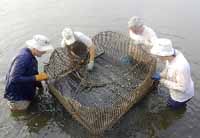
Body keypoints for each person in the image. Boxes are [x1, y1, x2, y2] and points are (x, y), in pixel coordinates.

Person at [4, 34, 54, 111]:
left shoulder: (30, 56)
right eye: (42, 50)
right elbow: (14, 78)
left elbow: (32, 72)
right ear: (34, 48)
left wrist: (40, 86)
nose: (44, 52)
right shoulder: (23, 58)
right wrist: (36, 77)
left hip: (25, 91)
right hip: (18, 99)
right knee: (23, 114)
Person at [151, 38, 194, 109]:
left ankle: (178, 108)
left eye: (158, 56)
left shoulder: (181, 67)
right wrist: (161, 74)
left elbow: (182, 88)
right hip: (179, 89)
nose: (158, 58)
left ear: (165, 55)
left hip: (180, 97)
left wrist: (162, 80)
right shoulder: (174, 54)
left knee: (171, 108)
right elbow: (168, 67)